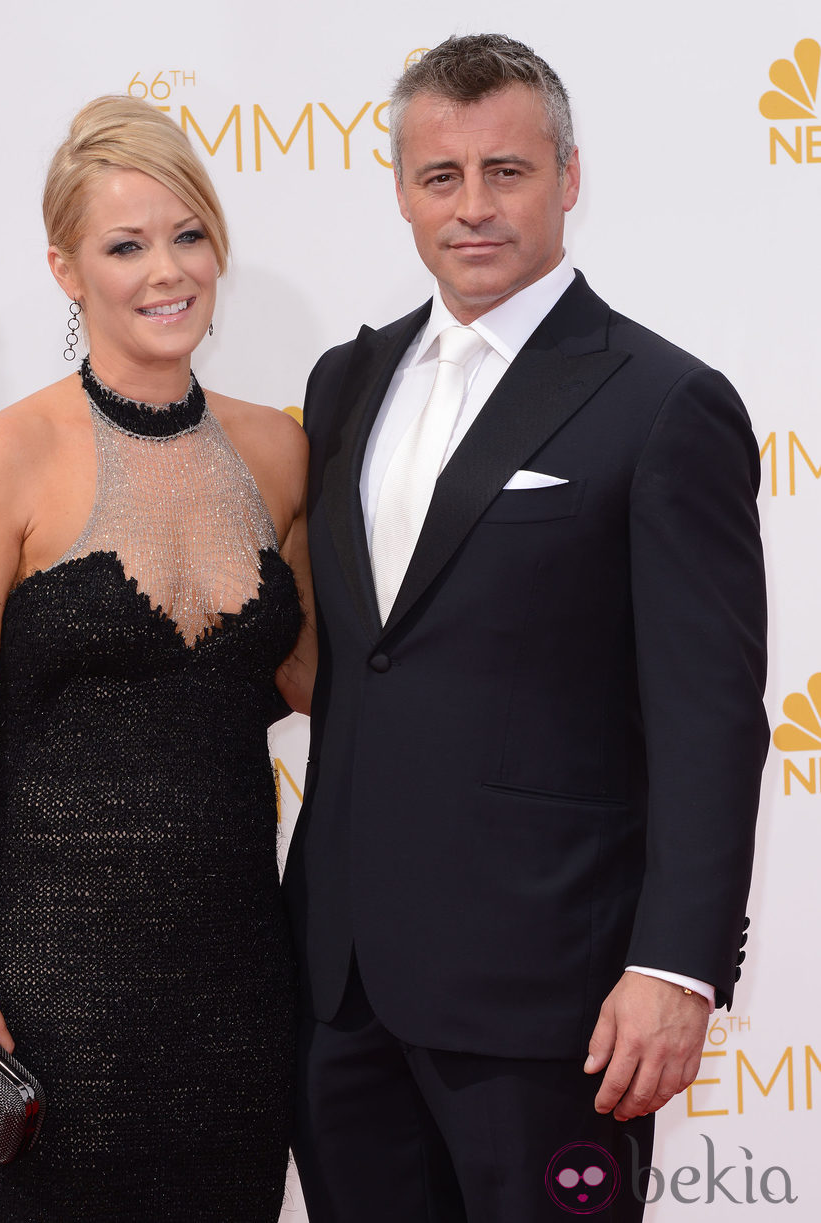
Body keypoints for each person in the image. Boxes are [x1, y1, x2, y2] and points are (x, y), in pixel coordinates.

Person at [284, 33, 767, 1223]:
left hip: (551, 996)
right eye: (439, 177)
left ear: (567, 176)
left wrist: (673, 967)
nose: (473, 207)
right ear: (400, 188)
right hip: (339, 985)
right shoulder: (346, 379)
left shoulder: (662, 402)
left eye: (506, 171)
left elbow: (708, 717)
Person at [0, 95, 314, 1221]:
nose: (164, 271)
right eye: (124, 245)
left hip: (238, 968)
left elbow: (317, 679)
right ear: (64, 267)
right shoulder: (2, 458)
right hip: (56, 975)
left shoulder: (279, 453)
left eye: (187, 235)